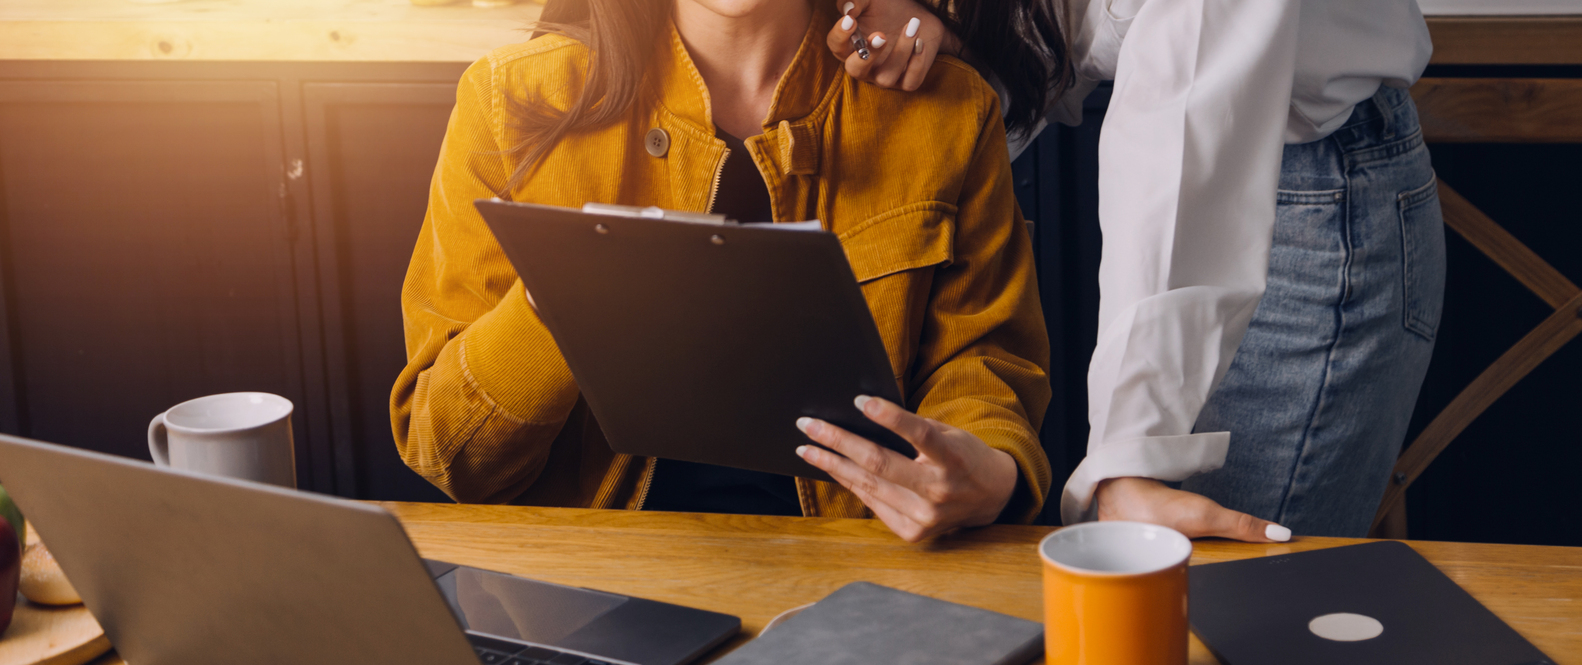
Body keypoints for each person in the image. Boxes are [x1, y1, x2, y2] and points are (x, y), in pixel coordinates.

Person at [392, 0, 1070, 542]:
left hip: (868, 568)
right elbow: (451, 455)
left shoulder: (951, 107)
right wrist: (552, 299)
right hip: (590, 576)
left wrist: (990, 468)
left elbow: (983, 365)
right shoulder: (509, 100)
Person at [828, 0, 1442, 542]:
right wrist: (958, 40)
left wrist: (1131, 454)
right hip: (1178, 192)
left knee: (1221, 617)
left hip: (1297, 193)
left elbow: (1189, 110)